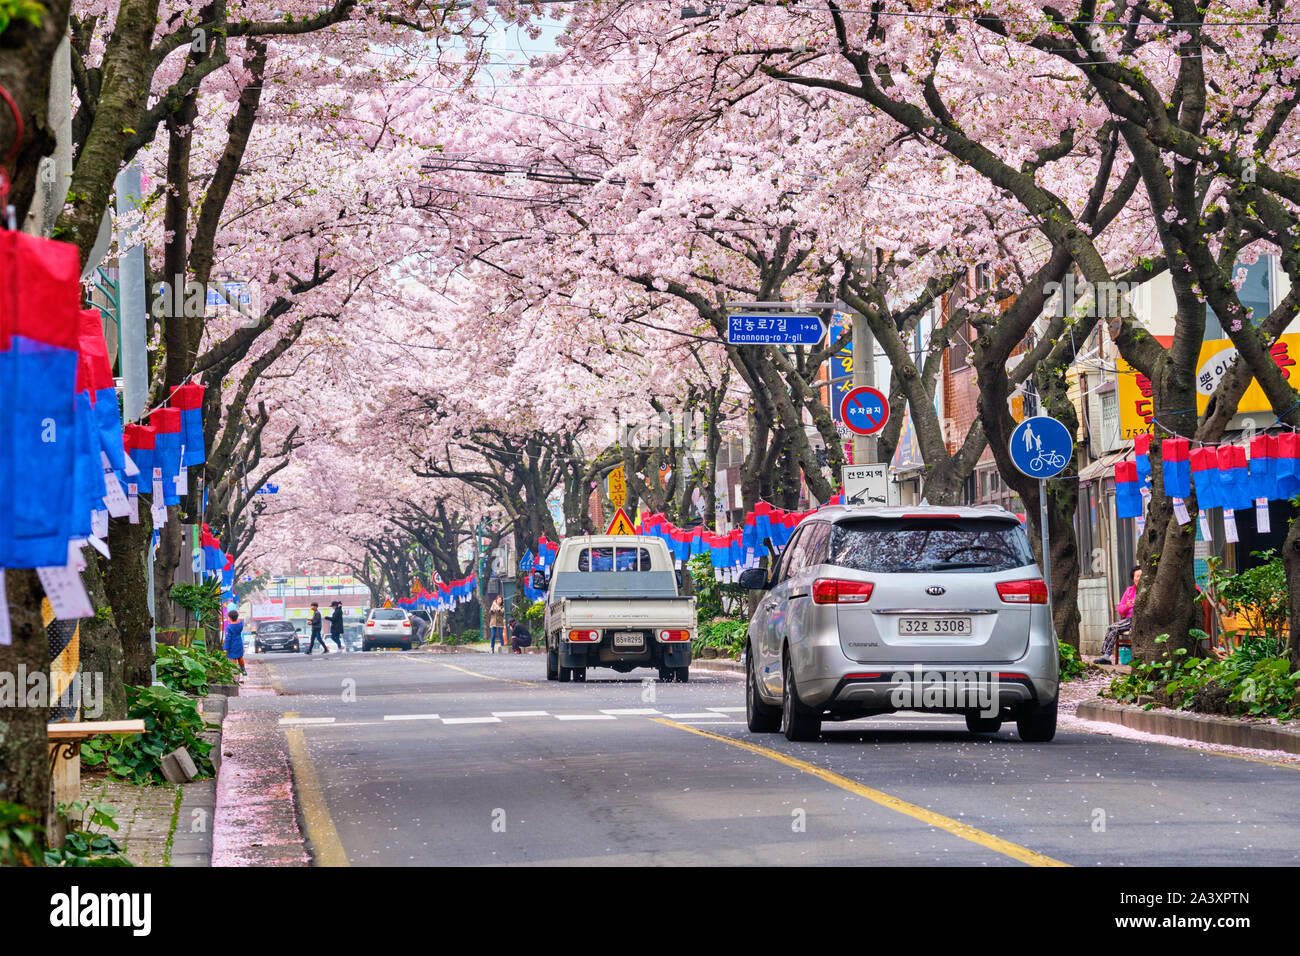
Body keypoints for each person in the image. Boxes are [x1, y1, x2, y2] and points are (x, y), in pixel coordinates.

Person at [1098, 565, 1140, 664]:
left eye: (1141, 576)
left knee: (1131, 631)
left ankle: (1135, 658)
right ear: (1133, 579)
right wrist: (1127, 606)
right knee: (1112, 628)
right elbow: (1120, 609)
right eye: (1137, 576)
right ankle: (1106, 657)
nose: (1140, 578)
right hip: (1128, 620)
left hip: (1139, 620)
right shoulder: (1129, 591)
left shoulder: (1148, 591)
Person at [225, 609, 247, 677]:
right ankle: (243, 670)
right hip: (239, 643)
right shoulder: (240, 625)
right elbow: (238, 622)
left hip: (232, 645)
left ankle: (235, 672)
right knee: (240, 657)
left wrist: (226, 648)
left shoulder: (229, 627)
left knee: (233, 658)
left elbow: (228, 639)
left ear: (229, 618)